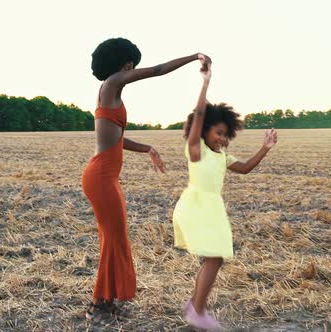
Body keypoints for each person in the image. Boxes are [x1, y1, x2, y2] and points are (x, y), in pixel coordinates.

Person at [81, 37, 212, 324]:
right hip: (101, 176)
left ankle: (108, 301)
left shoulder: (110, 93)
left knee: (115, 239)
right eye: (131, 65)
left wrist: (147, 148)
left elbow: (115, 138)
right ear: (124, 64)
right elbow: (158, 70)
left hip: (105, 176)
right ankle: (96, 307)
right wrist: (193, 57)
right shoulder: (113, 83)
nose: (133, 70)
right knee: (112, 240)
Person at [172, 63, 278, 330]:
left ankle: (195, 307)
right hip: (197, 205)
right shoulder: (197, 151)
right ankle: (197, 310)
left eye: (225, 135)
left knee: (215, 257)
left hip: (211, 207)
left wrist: (265, 148)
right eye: (218, 133)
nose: (222, 139)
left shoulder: (222, 156)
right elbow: (198, 114)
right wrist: (205, 84)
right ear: (204, 130)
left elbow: (244, 169)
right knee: (215, 257)